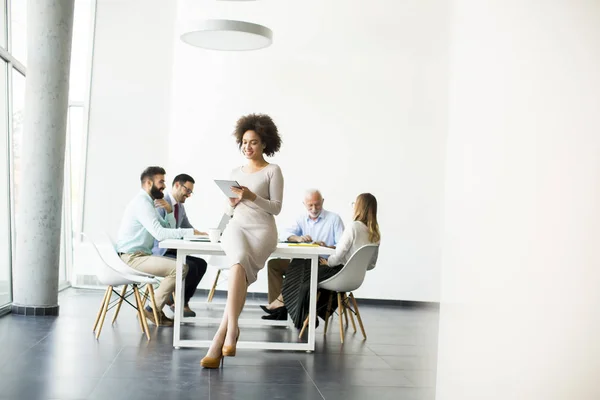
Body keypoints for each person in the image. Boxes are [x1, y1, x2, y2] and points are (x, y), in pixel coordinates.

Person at [201, 114, 284, 368]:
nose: (248, 147)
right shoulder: (234, 172)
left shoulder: (273, 171)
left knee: (240, 271)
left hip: (262, 231)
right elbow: (233, 208)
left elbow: (276, 208)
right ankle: (232, 329)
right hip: (237, 225)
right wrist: (233, 202)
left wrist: (251, 196)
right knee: (237, 261)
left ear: (264, 144)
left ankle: (220, 339)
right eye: (245, 142)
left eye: (254, 142)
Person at [116, 166, 201, 326]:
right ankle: (152, 309)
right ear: (149, 183)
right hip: (132, 257)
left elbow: (168, 228)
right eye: (161, 181)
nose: (163, 185)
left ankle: (155, 309)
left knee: (184, 267)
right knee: (180, 268)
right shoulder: (142, 203)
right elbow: (160, 234)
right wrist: (189, 233)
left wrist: (169, 212)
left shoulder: (149, 202)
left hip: (140, 255)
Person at [281, 193, 381, 329]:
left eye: (354, 204)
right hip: (355, 277)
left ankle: (299, 314)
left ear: (359, 207)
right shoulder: (375, 232)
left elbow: (339, 254)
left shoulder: (353, 227)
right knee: (305, 271)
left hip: (339, 272)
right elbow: (371, 264)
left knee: (301, 266)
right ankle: (304, 313)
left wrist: (328, 263)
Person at [261, 189, 344, 319]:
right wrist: (297, 238)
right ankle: (279, 311)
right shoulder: (301, 219)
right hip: (301, 262)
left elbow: (342, 246)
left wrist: (327, 246)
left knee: (302, 266)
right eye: (310, 205)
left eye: (317, 204)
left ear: (323, 202)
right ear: (304, 204)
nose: (314, 208)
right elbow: (284, 234)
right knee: (274, 264)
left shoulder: (334, 219)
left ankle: (281, 303)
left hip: (324, 264)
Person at [152, 173, 208, 318]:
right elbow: (161, 232)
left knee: (201, 264)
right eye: (187, 190)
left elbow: (187, 227)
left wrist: (204, 234)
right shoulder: (161, 203)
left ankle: (181, 302)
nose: (189, 195)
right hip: (161, 251)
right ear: (177, 185)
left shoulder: (180, 207)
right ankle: (176, 301)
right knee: (191, 266)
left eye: (191, 192)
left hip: (173, 251)